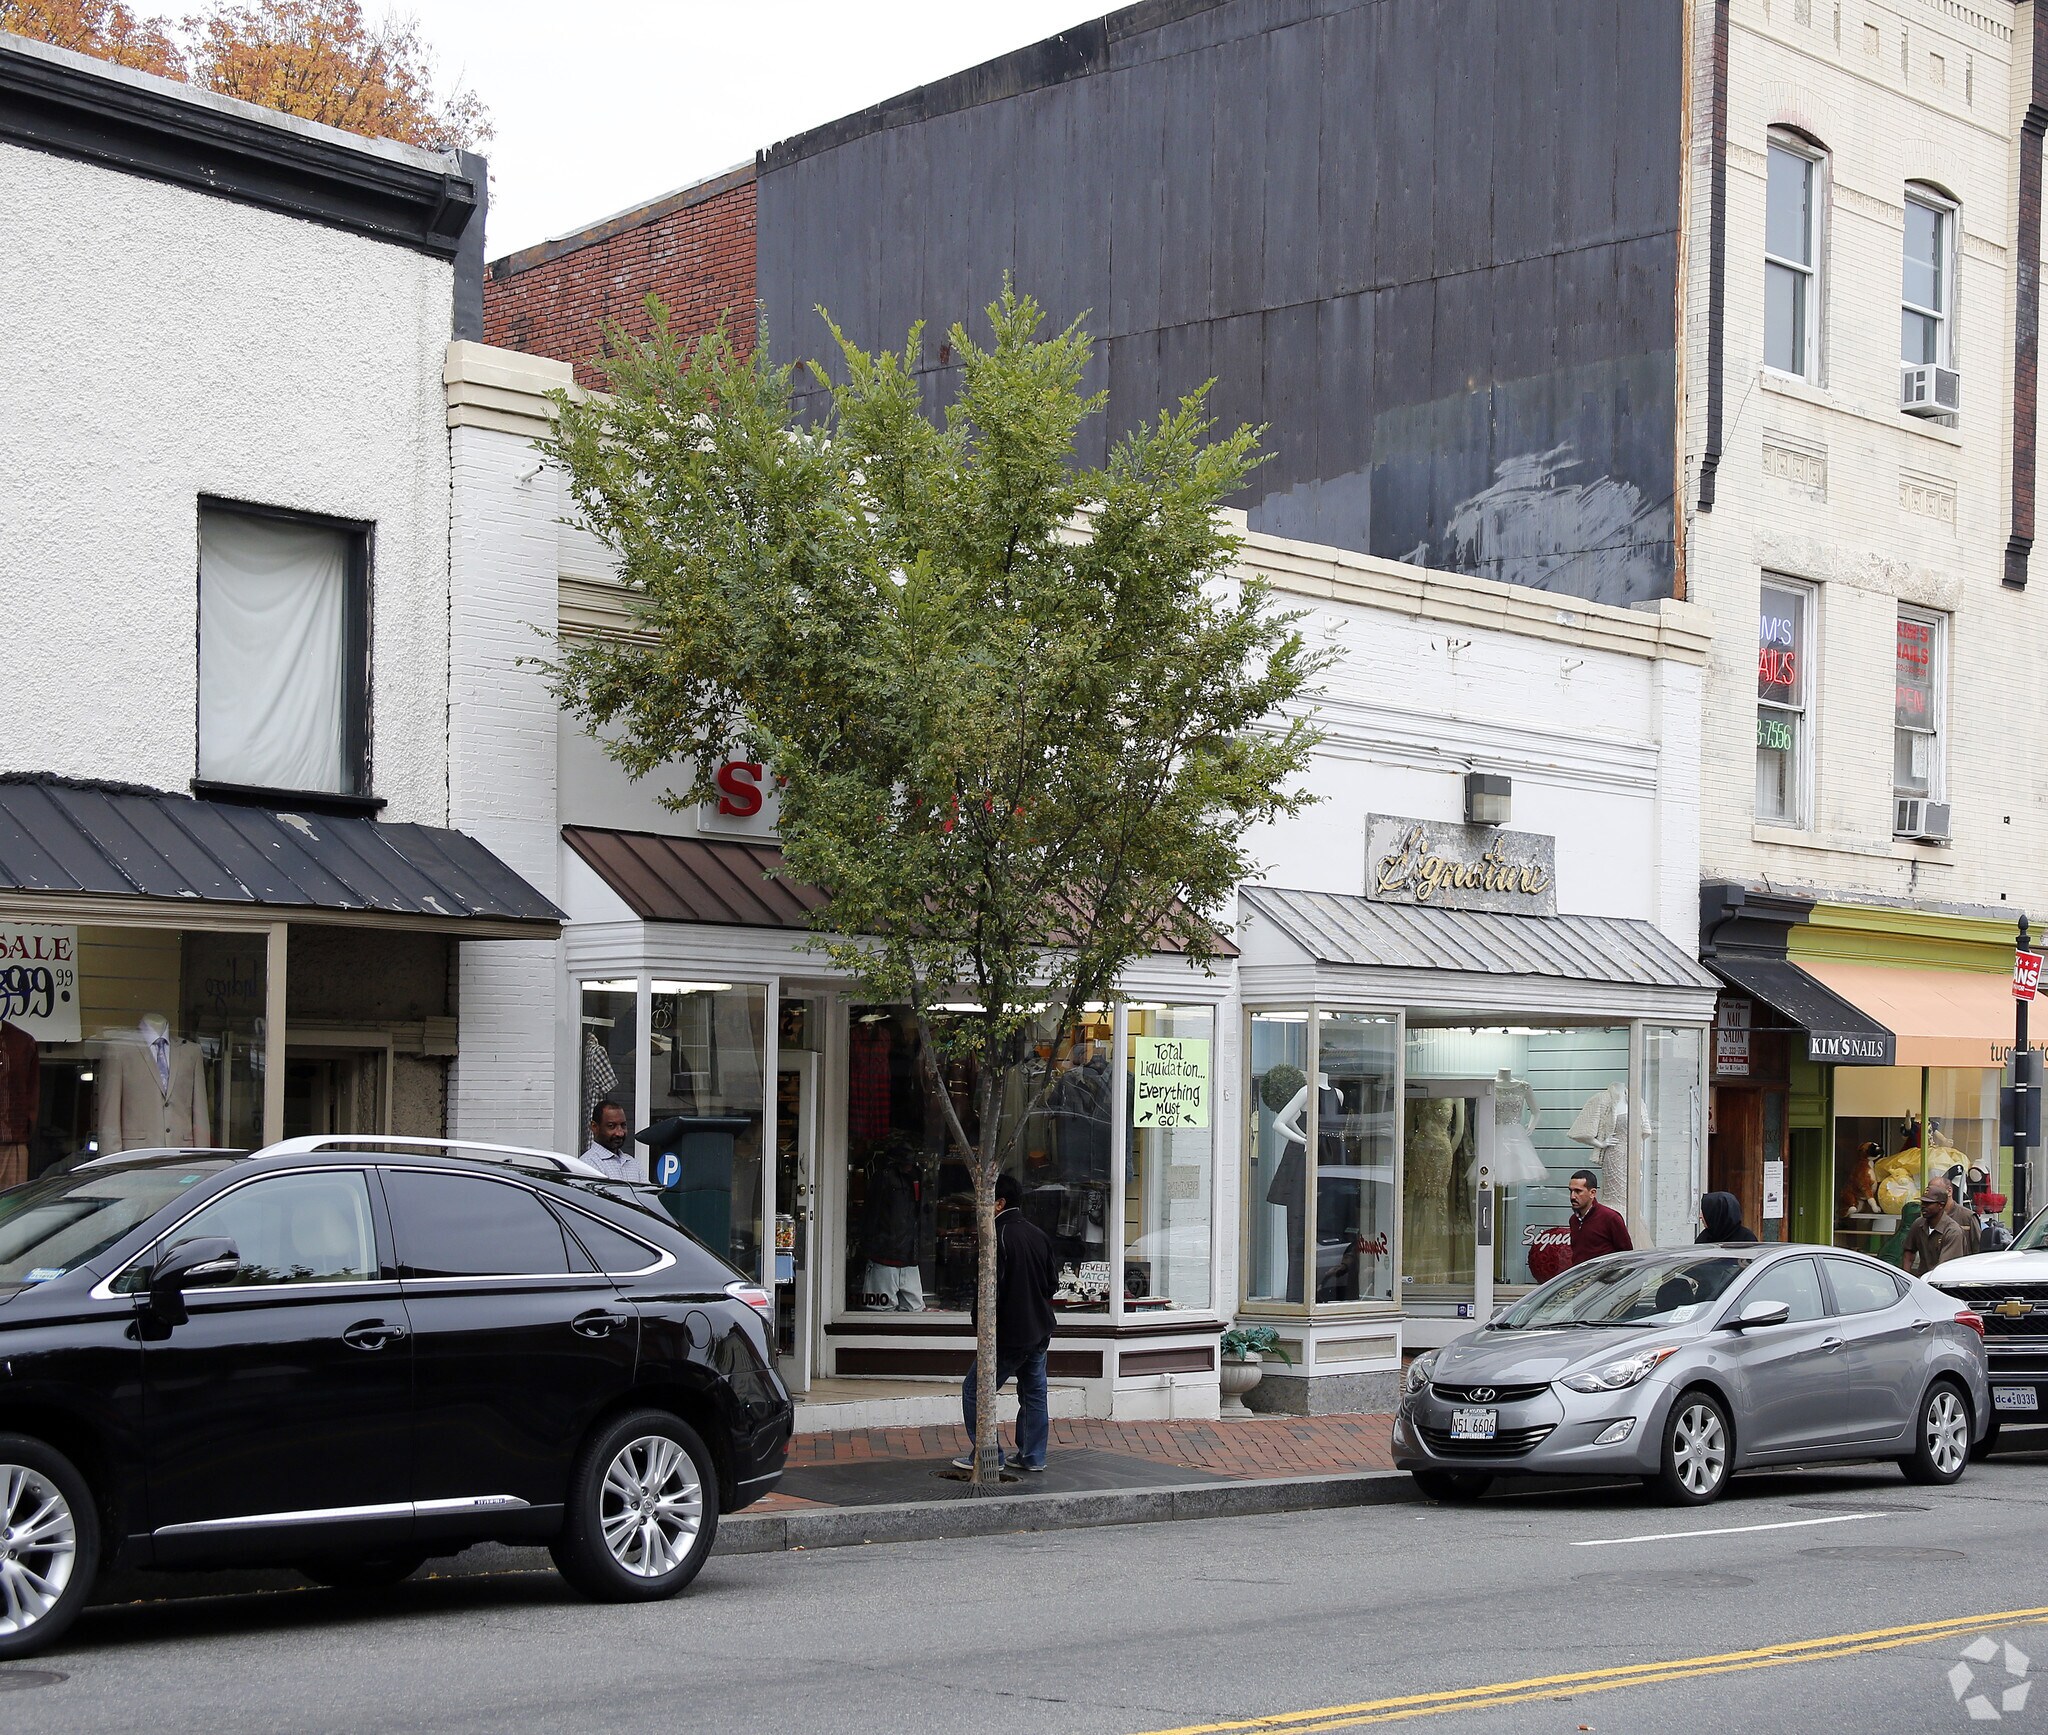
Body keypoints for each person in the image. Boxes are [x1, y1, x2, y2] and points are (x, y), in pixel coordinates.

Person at [954, 1171, 1059, 1474]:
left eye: (985, 1200)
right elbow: (1051, 1284)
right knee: (1034, 1392)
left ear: (999, 1203)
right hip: (1039, 1328)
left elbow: (990, 1290)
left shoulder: (995, 1235)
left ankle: (989, 1454)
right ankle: (1033, 1455)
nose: (979, 1207)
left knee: (976, 1389)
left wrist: (981, 1324)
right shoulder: (1037, 1234)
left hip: (1009, 1333)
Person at [1903, 1178, 1978, 1274]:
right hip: (1922, 1281)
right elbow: (1908, 1252)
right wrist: (1906, 1277)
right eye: (1922, 1202)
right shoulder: (1918, 1224)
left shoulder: (1954, 1230)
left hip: (1944, 1281)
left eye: (1928, 1203)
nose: (1923, 1206)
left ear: (1941, 1205)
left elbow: (1945, 1268)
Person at [1566, 1169, 1633, 1265]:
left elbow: (1627, 1255)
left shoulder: (1610, 1218)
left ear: (1592, 1193)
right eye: (1571, 1191)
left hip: (1604, 1278)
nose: (1572, 1196)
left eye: (1578, 1191)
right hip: (1580, 1277)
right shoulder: (1573, 1220)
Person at [580, 1100, 639, 1182]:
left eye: (623, 1125)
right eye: (611, 1126)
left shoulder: (633, 1163)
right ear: (594, 1127)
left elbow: (648, 1194)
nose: (620, 1133)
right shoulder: (588, 1164)